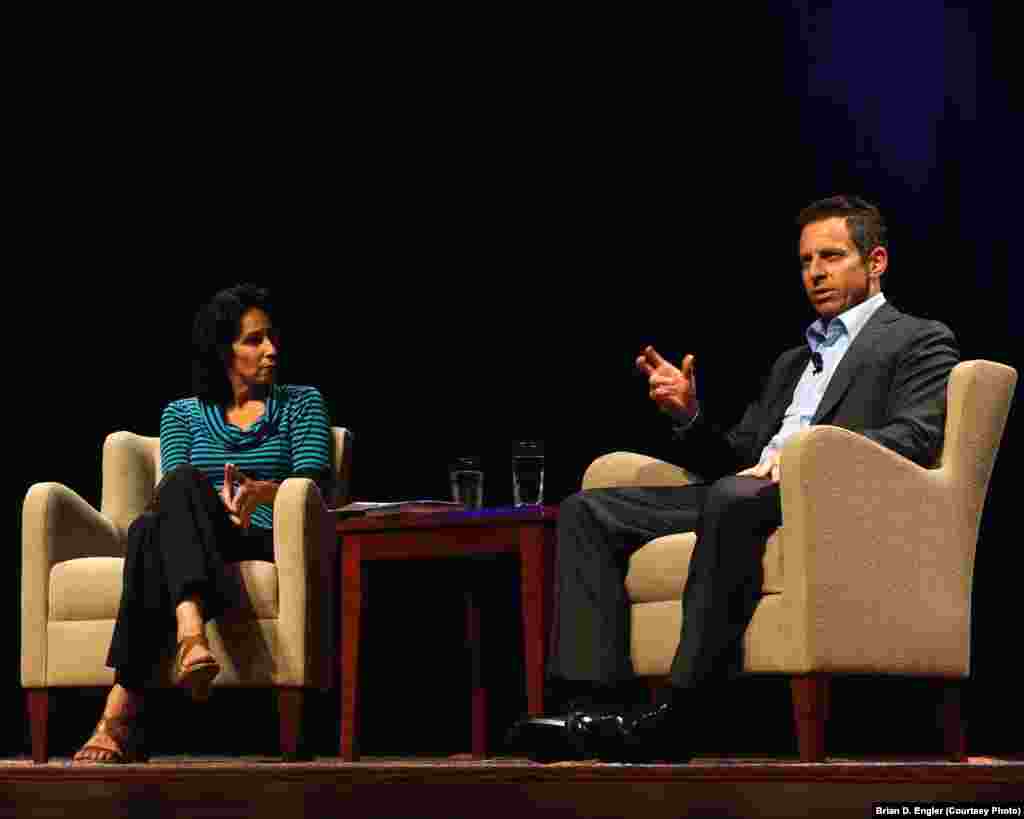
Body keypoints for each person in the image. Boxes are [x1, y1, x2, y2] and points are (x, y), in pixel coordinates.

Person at [509, 195, 960, 763]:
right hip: (746, 493)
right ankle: (591, 710)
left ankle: (683, 711)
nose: (815, 273)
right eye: (805, 261)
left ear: (876, 262)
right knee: (587, 510)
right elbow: (737, 456)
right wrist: (689, 415)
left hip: (827, 500)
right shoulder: (793, 361)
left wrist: (807, 456)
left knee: (733, 496)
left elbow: (914, 437)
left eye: (831, 256)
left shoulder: (918, 339)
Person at [74, 284, 333, 763]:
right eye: (254, 340)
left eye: (272, 337)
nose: (271, 350)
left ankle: (123, 706)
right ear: (222, 350)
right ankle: (190, 632)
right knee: (168, 502)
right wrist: (215, 504)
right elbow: (172, 494)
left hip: (265, 536)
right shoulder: (182, 415)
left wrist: (264, 493)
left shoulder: (302, 403)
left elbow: (318, 490)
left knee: (147, 532)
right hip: (202, 535)